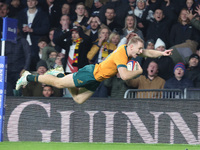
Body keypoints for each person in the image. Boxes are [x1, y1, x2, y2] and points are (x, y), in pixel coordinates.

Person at [16, 36, 173, 104]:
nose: (140, 52)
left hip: (96, 79)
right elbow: (125, 76)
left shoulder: (129, 49)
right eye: (138, 49)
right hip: (91, 74)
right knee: (59, 84)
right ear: (131, 46)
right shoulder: (121, 55)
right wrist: (138, 72)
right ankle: (29, 77)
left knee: (78, 99)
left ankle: (59, 72)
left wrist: (161, 53)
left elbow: (147, 52)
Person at [17, 0, 50, 71]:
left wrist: (32, 30)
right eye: (28, 1)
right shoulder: (21, 14)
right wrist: (21, 29)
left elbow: (45, 28)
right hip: (24, 41)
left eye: (32, 1)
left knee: (35, 61)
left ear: (36, 2)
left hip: (36, 43)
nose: (30, 3)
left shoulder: (42, 14)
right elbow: (18, 26)